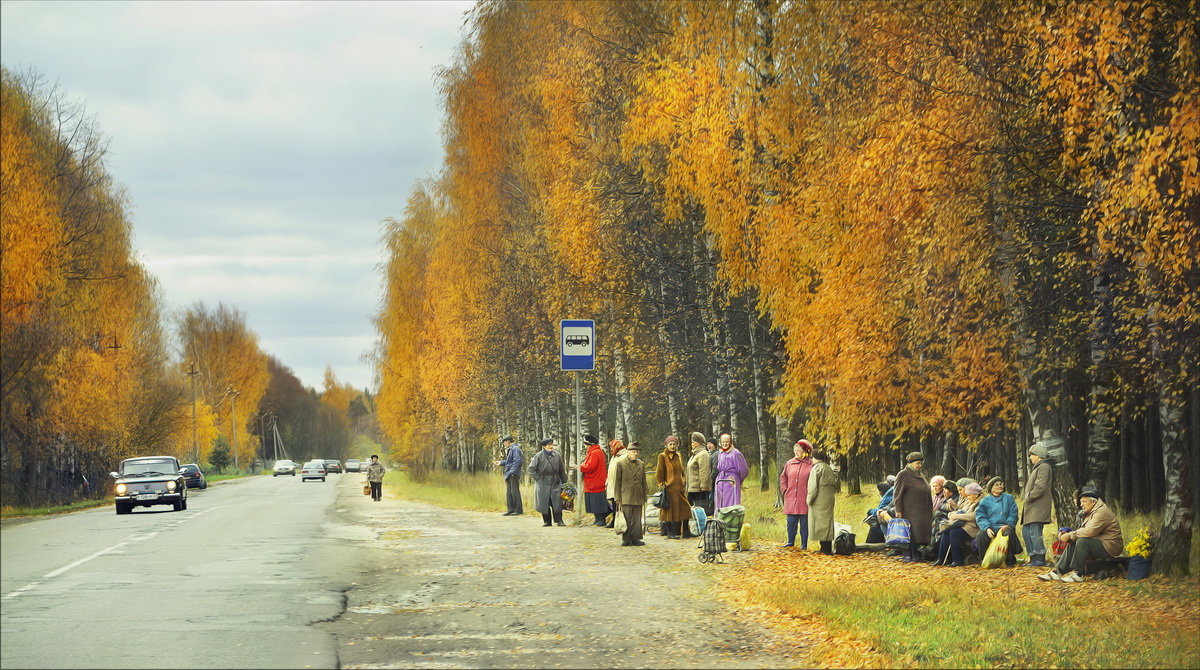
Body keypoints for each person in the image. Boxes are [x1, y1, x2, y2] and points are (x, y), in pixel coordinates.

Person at [1038, 487, 1123, 583]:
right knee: (1076, 540)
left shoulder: (1101, 512)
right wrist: (1070, 535)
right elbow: (1085, 531)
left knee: (1082, 542)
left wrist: (1070, 535)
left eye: (1084, 501)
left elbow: (1090, 531)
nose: (1081, 504)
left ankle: (1079, 574)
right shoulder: (1093, 511)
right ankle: (1058, 571)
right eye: (1081, 502)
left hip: (1111, 546)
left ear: (1093, 502)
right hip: (1102, 542)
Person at [893, 452, 933, 562]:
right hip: (910, 510)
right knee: (912, 533)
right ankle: (910, 555)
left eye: (921, 463)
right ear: (911, 463)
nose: (920, 466)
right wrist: (899, 510)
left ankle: (916, 555)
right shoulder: (903, 475)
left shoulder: (920, 475)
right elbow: (897, 494)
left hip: (921, 510)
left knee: (919, 533)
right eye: (918, 463)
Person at [975, 475, 1022, 566]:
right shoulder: (985, 501)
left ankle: (1010, 560)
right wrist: (987, 528)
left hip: (1004, 526)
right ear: (991, 488)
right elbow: (980, 516)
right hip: (991, 527)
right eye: (997, 485)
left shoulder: (1009, 498)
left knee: (1007, 532)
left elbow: (1013, 513)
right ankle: (985, 560)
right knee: (980, 535)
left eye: (1001, 484)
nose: (1000, 486)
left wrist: (1008, 524)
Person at [933, 481, 982, 566]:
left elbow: (972, 516)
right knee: (946, 531)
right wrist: (953, 513)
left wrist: (955, 516)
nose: (968, 497)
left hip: (973, 527)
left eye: (969, 495)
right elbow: (961, 511)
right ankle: (940, 558)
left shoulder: (981, 502)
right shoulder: (969, 500)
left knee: (954, 532)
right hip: (965, 525)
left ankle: (957, 560)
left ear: (976, 494)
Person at [1021, 442, 1054, 567]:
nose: (1030, 457)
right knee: (1026, 531)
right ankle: (1032, 557)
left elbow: (1040, 487)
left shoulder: (1044, 467)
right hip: (1032, 506)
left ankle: (1039, 558)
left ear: (1038, 455)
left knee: (1035, 532)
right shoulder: (1039, 467)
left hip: (1038, 506)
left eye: (1032, 455)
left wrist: (1029, 497)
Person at [779, 439, 815, 548]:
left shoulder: (811, 464)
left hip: (804, 498)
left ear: (806, 451)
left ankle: (804, 544)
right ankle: (790, 542)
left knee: (804, 524)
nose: (796, 452)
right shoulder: (790, 463)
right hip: (790, 498)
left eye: (798, 450)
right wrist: (784, 489)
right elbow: (783, 477)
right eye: (795, 450)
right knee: (791, 522)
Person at [656, 435, 692, 539]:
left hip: (680, 488)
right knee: (668, 511)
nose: (672, 446)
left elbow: (682, 470)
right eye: (670, 444)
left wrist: (683, 480)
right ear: (666, 445)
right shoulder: (662, 456)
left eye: (674, 444)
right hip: (669, 489)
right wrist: (662, 484)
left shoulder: (678, 455)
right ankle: (670, 532)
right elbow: (659, 472)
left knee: (686, 509)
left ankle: (686, 531)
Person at [614, 442, 648, 546]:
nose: (635, 454)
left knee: (637, 519)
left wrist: (645, 495)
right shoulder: (620, 464)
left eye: (637, 452)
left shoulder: (641, 464)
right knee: (627, 518)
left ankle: (636, 539)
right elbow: (617, 482)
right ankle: (626, 539)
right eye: (633, 452)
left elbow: (644, 481)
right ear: (628, 452)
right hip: (626, 496)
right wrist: (617, 497)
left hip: (638, 495)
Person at [528, 438, 568, 527]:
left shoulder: (557, 455)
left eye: (551, 444)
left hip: (555, 482)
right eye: (549, 445)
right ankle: (547, 521)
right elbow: (531, 469)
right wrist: (538, 479)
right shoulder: (538, 456)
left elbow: (562, 470)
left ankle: (559, 521)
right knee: (544, 503)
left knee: (557, 503)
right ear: (544, 446)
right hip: (543, 483)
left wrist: (565, 483)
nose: (551, 446)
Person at [806, 449, 837, 555]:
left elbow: (813, 488)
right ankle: (827, 547)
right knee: (827, 523)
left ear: (814, 458)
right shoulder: (828, 468)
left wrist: (809, 500)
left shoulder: (816, 469)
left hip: (818, 501)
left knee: (820, 524)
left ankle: (824, 549)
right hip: (829, 500)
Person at [578, 434, 608, 526]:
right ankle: (597, 519)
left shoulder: (595, 453)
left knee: (597, 502)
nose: (585, 446)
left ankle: (601, 519)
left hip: (595, 481)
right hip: (594, 481)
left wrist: (580, 466)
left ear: (590, 445)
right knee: (595, 502)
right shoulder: (596, 452)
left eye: (586, 445)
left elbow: (590, 467)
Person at [713, 433, 749, 510]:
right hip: (721, 479)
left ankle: (731, 519)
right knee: (719, 501)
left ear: (730, 442)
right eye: (723, 442)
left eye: (727, 442)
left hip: (731, 480)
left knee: (731, 502)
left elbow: (743, 469)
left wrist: (739, 480)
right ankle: (721, 519)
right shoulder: (720, 453)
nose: (725, 444)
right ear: (720, 442)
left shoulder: (736, 453)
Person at [495, 436, 524, 516]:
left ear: (508, 441)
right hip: (509, 474)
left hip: (513, 474)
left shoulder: (515, 449)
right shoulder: (511, 449)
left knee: (514, 492)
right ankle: (511, 509)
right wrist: (500, 463)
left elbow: (517, 461)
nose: (504, 444)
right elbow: (509, 461)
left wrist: (512, 472)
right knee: (509, 492)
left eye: (504, 442)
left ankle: (518, 510)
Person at [686, 432, 713, 516]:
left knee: (700, 513)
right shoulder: (694, 454)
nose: (691, 444)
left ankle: (702, 528)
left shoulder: (703, 454)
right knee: (694, 513)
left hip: (699, 490)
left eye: (693, 442)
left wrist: (704, 487)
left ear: (699, 442)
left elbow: (704, 472)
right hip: (692, 489)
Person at [604, 439, 627, 528]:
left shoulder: (624, 457)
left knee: (619, 503)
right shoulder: (614, 457)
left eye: (612, 448)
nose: (611, 450)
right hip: (612, 483)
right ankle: (614, 520)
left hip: (619, 484)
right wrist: (607, 481)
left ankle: (619, 520)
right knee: (613, 502)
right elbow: (611, 470)